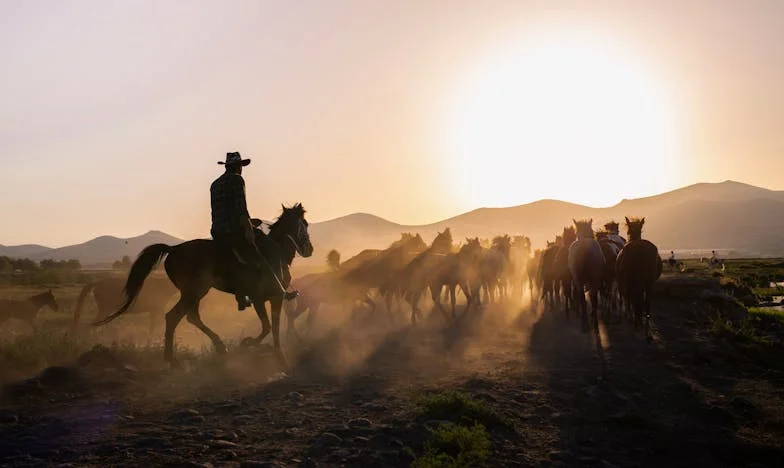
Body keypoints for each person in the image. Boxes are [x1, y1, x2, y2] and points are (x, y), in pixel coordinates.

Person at [210, 151, 297, 310]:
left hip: (218, 232)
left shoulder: (215, 184)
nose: (242, 169)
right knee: (272, 249)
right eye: (241, 166)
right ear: (237, 166)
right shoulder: (237, 180)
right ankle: (278, 289)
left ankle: (242, 294)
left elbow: (223, 211)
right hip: (235, 231)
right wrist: (248, 228)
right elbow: (240, 208)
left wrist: (249, 221)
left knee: (242, 258)